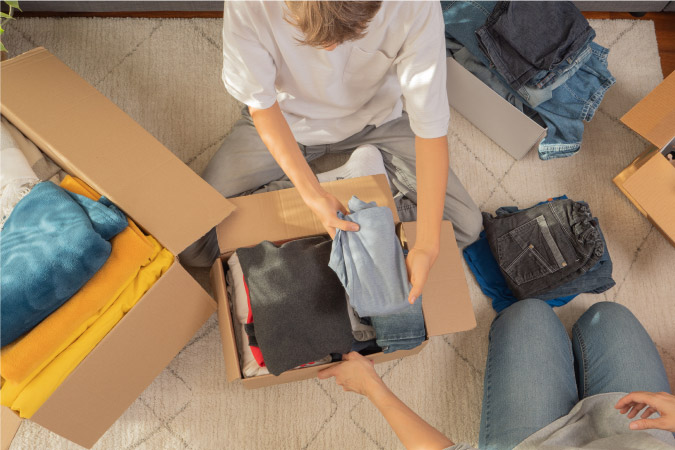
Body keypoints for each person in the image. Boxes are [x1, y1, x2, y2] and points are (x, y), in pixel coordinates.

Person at [180, 1, 482, 302]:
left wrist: (427, 247)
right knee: (193, 243)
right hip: (284, 120)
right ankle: (350, 181)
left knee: (465, 226)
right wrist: (312, 195)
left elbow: (430, 129)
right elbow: (261, 106)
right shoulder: (249, 5)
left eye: (348, 37)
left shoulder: (414, 6)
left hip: (376, 122)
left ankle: (356, 188)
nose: (329, 51)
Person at [318, 300, 675, 449]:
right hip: (647, 434)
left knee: (528, 313)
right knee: (609, 314)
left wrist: (372, 387)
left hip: (538, 443)